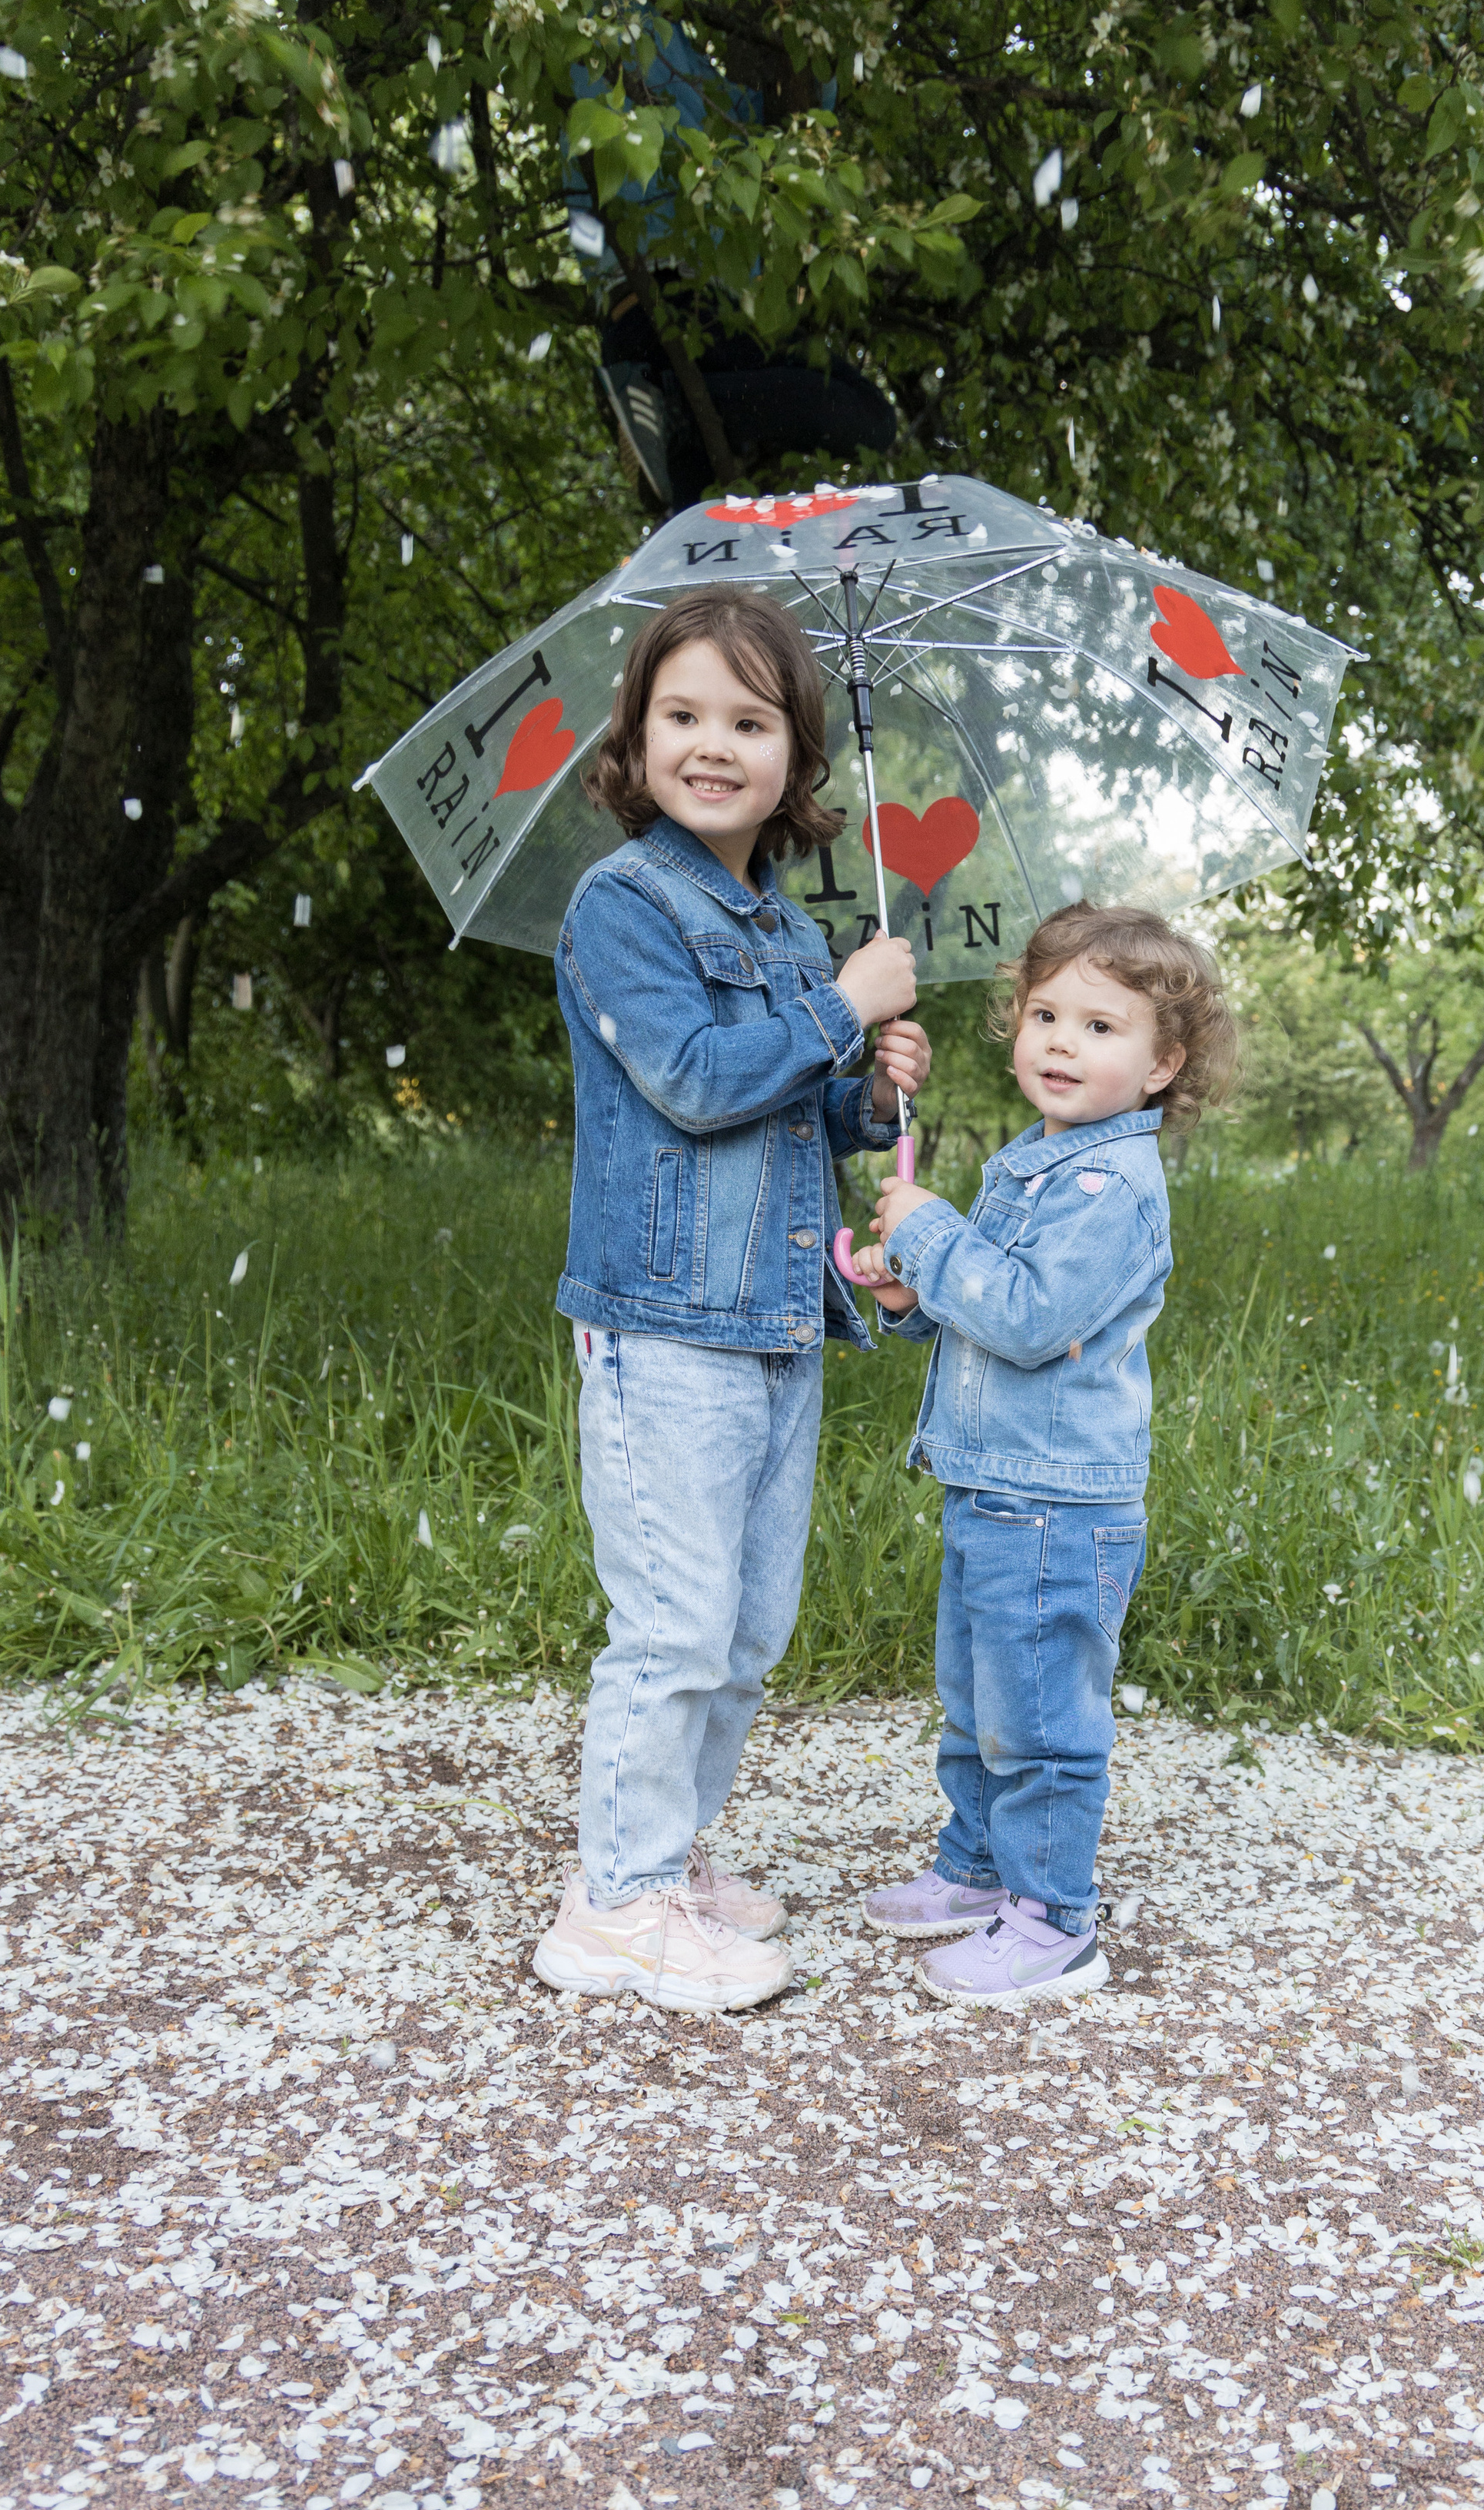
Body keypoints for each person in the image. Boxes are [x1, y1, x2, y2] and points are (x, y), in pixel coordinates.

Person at [532, 584, 930, 2014]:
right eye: (683, 715)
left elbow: (786, 1116)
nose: (714, 744)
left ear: (794, 758)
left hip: (774, 1321)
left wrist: (867, 1094)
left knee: (749, 1630)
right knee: (676, 1623)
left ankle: (663, 1855)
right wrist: (842, 1006)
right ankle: (616, 1907)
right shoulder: (622, 907)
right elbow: (696, 1085)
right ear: (637, 740)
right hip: (664, 1323)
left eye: (750, 722)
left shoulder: (778, 930)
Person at [848, 905, 1237, 2004]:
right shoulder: (1038, 1163)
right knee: (979, 1701)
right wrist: (913, 1288)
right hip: (994, 1484)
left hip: (1059, 1505)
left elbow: (1027, 1319)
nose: (1062, 1042)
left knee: (1041, 1720)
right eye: (1046, 1015)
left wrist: (929, 1230)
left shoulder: (1114, 1190)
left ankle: (1054, 1920)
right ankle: (979, 1868)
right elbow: (983, 1308)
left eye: (1101, 1028)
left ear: (1161, 1066)